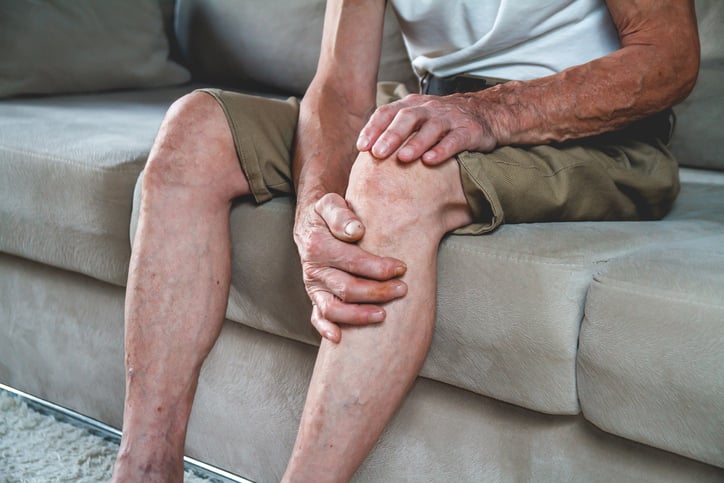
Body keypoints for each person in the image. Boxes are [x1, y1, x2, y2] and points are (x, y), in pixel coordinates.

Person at [111, 0, 700, 481]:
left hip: (596, 132)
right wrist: (316, 210)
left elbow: (669, 57)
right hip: (439, 105)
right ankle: (145, 468)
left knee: (394, 173)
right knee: (195, 129)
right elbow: (341, 88)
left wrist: (490, 113)